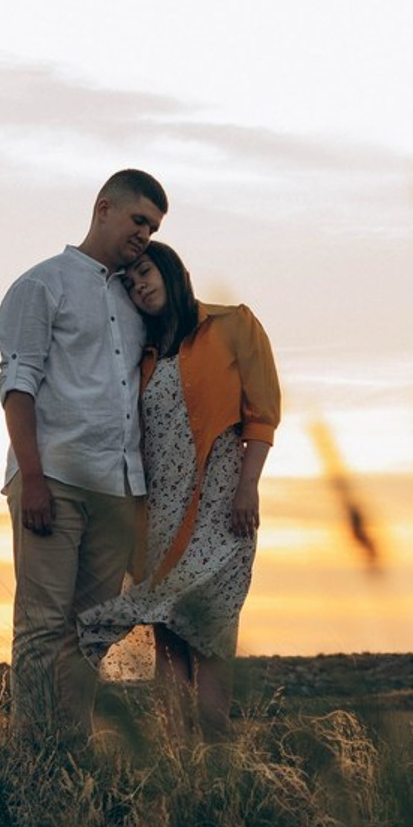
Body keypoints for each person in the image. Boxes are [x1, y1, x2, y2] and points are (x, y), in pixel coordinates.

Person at [78, 241, 280, 733]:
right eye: (130, 284)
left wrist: (248, 487)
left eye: (145, 273)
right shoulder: (143, 357)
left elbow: (261, 415)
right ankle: (176, 759)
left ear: (171, 271)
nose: (139, 286)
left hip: (222, 509)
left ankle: (214, 752)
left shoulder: (233, 326)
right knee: (168, 634)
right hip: (162, 517)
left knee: (212, 634)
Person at [0, 168, 168, 744]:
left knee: (90, 632)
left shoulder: (136, 297)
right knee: (42, 626)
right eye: (138, 219)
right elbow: (18, 385)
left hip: (118, 489)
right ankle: (31, 755)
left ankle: (70, 751)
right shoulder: (42, 284)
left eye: (154, 227)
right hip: (54, 480)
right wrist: (33, 479)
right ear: (104, 208)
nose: (145, 234)